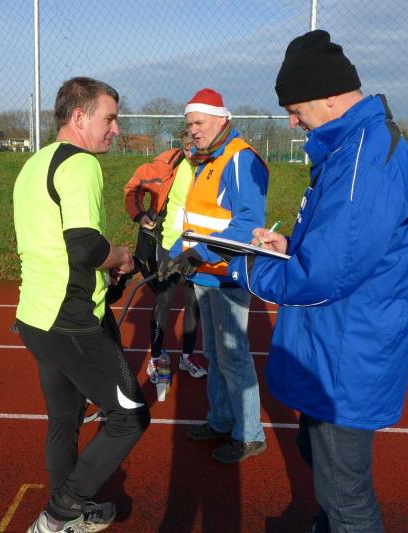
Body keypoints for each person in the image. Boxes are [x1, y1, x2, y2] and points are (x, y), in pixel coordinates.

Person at [225, 31, 408, 532]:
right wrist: (289, 246)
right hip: (338, 342)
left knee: (345, 494)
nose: (293, 122)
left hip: (346, 351)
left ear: (330, 96)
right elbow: (342, 244)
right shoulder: (355, 148)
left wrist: (245, 265)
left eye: (296, 109)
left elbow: (324, 274)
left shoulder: (364, 159)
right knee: (322, 464)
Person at [13, 77, 150, 533]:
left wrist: (104, 271)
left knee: (64, 421)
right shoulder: (81, 163)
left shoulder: (34, 163)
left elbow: (56, 244)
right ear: (79, 117)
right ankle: (59, 514)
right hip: (70, 321)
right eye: (109, 119)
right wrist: (121, 257)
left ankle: (66, 514)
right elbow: (84, 245)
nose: (116, 129)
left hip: (35, 316)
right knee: (129, 416)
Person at [158, 88, 270, 463]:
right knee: (213, 355)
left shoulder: (239, 159)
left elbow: (248, 225)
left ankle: (249, 435)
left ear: (222, 119)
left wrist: (198, 253)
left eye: (199, 122)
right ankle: (221, 420)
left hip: (227, 275)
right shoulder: (208, 160)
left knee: (234, 357)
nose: (193, 129)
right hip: (204, 275)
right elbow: (197, 223)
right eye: (189, 124)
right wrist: (176, 254)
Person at [122, 128, 206, 384]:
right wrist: (139, 214)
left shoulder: (213, 167)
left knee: (193, 303)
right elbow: (134, 186)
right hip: (168, 244)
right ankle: (157, 357)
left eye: (197, 148)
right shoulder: (167, 165)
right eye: (188, 148)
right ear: (182, 146)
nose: (192, 154)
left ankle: (187, 357)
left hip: (197, 248)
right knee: (164, 300)